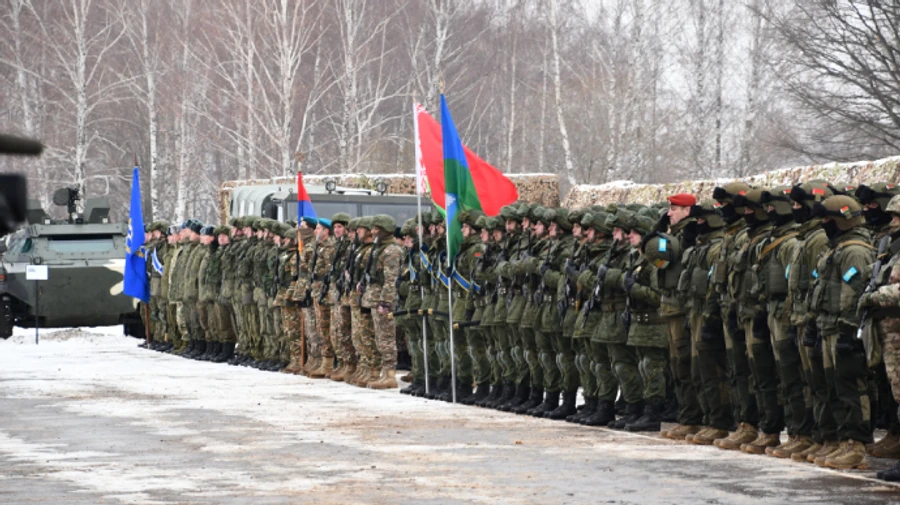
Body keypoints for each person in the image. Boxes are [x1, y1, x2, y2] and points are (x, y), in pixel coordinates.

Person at [810, 195, 875, 469]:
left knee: (852, 386)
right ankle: (840, 439)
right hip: (827, 325)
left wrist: (849, 331)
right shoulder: (835, 248)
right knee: (833, 385)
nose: (824, 224)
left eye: (828, 219)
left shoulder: (855, 251)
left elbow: (854, 295)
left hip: (843, 328)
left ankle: (856, 445)